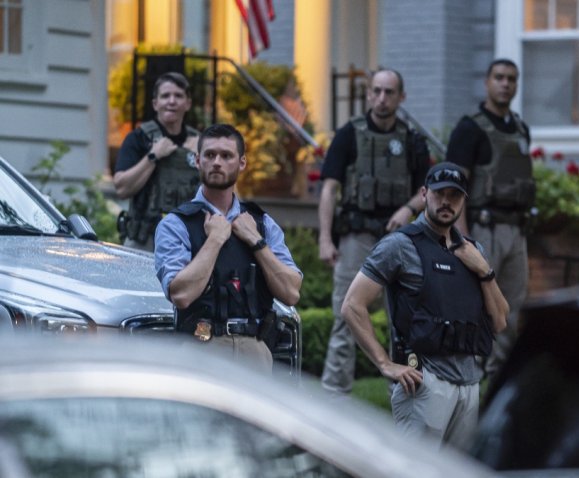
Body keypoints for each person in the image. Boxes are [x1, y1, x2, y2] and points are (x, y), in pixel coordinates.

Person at [342, 162, 508, 448]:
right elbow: (352, 305)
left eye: (454, 196)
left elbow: (500, 321)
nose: (446, 202)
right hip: (425, 384)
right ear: (423, 194)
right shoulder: (399, 245)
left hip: (469, 387)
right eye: (438, 193)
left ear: (463, 202)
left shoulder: (473, 251)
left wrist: (484, 270)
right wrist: (385, 364)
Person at [317, 68, 431, 396]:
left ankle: (406, 389)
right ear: (368, 94)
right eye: (376, 91)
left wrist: (408, 209)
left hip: (400, 239)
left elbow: (427, 189)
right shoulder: (349, 134)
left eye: (389, 92)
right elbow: (328, 189)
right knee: (346, 314)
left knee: (405, 320)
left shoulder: (412, 140)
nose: (382, 99)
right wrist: (325, 238)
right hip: (356, 236)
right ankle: (334, 395)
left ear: (401, 97)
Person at [154, 124, 302, 372]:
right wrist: (214, 240)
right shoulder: (176, 224)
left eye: (226, 155)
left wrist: (256, 242)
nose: (217, 162)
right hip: (200, 349)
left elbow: (291, 293)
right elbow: (181, 294)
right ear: (197, 161)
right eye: (210, 155)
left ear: (242, 163)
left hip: (254, 350)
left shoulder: (262, 224)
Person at [444, 58, 532, 377]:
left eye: (511, 78)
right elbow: (454, 189)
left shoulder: (521, 129)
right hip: (484, 229)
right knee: (479, 306)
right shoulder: (471, 128)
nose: (505, 84)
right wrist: (463, 241)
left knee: (510, 309)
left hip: (515, 232)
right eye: (499, 77)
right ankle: (470, 377)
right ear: (487, 82)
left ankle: (497, 383)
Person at [114, 72, 200, 251]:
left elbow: (221, 190)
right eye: (165, 96)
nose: (172, 101)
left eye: (178, 96)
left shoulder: (199, 143)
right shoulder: (138, 138)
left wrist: (202, 159)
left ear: (188, 104)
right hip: (144, 240)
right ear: (155, 104)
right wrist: (153, 156)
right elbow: (121, 188)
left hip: (187, 240)